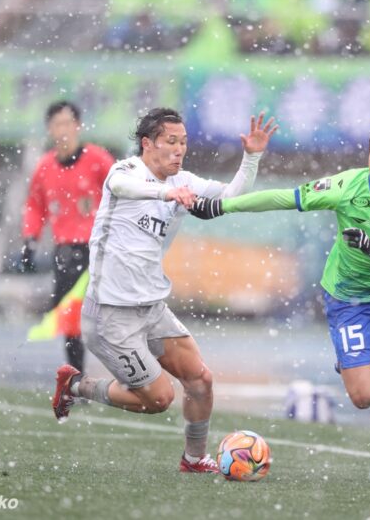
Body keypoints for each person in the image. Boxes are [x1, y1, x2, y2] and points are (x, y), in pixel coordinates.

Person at [189, 120, 370, 483]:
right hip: (350, 300)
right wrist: (221, 207)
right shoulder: (347, 186)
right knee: (363, 398)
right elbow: (283, 198)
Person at [51, 108, 278, 473]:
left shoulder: (183, 181)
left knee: (200, 380)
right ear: (147, 143)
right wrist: (166, 193)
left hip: (152, 308)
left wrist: (251, 157)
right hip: (110, 315)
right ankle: (76, 386)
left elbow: (230, 197)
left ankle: (194, 459)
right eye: (171, 141)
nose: (179, 149)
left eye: (183, 142)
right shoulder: (126, 171)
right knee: (159, 399)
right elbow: (123, 188)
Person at [20, 101, 116, 371]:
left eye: (67, 123)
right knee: (70, 319)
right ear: (49, 129)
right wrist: (30, 239)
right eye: (57, 125)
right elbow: (35, 205)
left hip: (98, 249)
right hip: (65, 251)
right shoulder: (45, 167)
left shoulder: (97, 160)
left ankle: (129, 371)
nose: (63, 130)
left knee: (111, 313)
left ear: (77, 126)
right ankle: (77, 375)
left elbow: (119, 190)